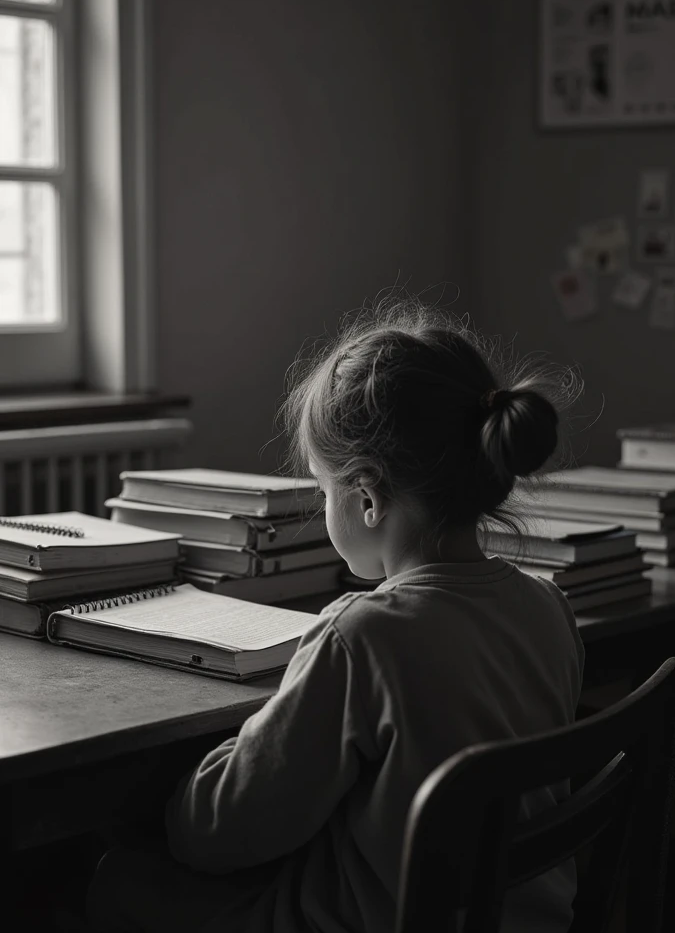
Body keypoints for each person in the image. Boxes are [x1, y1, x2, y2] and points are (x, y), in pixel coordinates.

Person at [87, 293, 585, 932]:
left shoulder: (362, 638)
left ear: (368, 497)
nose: (326, 507)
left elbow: (219, 833)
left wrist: (229, 755)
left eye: (325, 488)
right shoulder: (548, 607)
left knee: (118, 876)